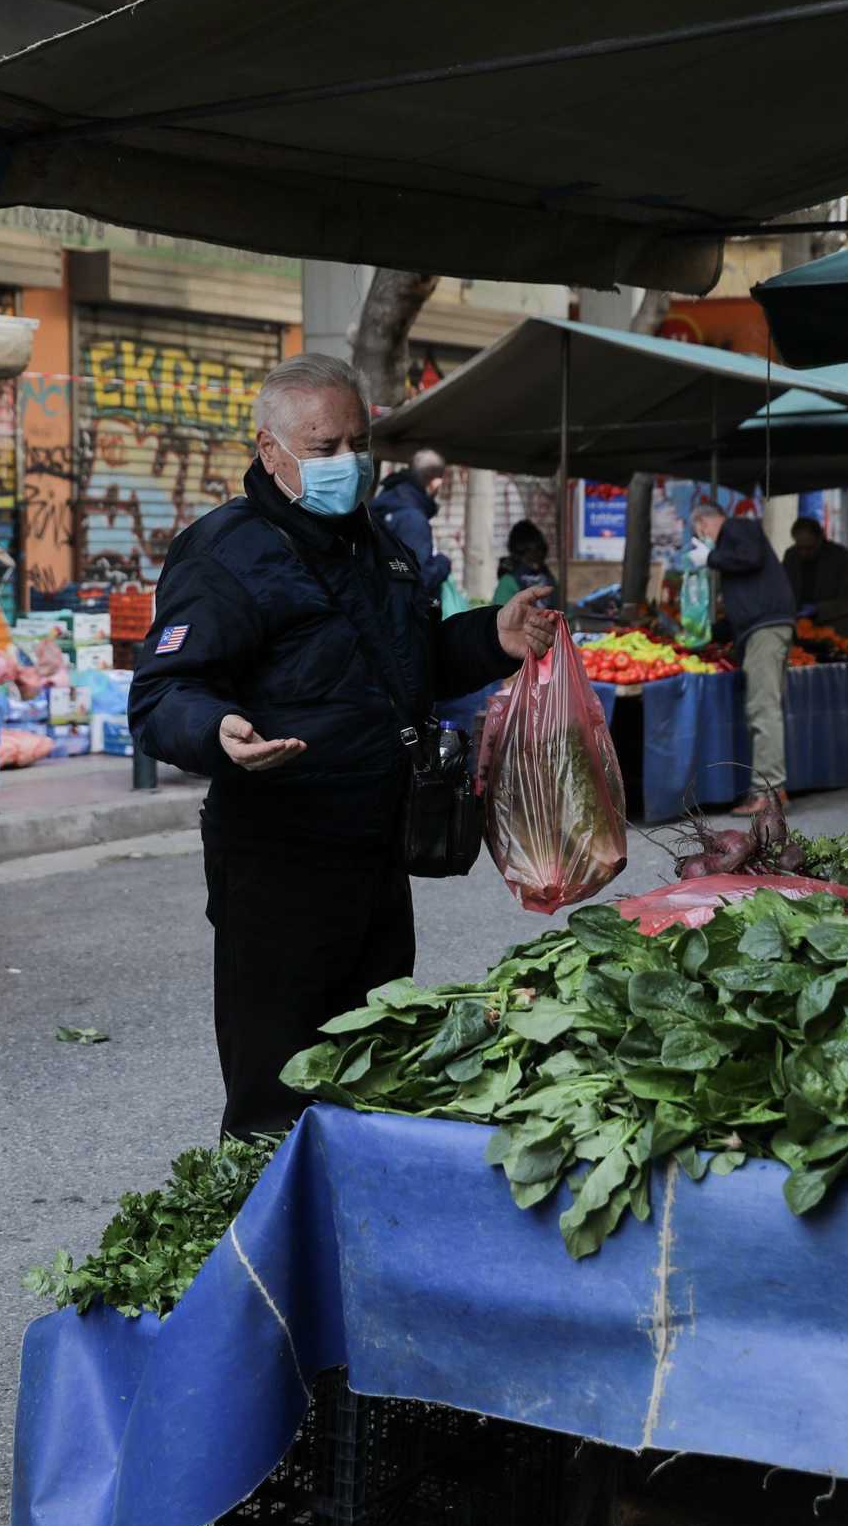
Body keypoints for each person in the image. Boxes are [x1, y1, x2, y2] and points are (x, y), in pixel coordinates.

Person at [129, 355, 556, 1137]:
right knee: (277, 1098)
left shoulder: (380, 546)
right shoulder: (224, 553)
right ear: (270, 451)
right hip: (277, 865)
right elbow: (162, 694)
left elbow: (413, 661)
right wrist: (218, 732)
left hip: (377, 858)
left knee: (373, 1077)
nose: (349, 463)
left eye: (360, 443)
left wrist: (492, 636)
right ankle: (267, 1244)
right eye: (325, 446)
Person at [695, 498, 795, 815]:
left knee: (762, 710)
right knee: (764, 709)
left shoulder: (738, 528)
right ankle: (772, 789)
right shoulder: (737, 540)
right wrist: (708, 632)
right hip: (762, 629)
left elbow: (748, 558)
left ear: (704, 524)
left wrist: (710, 557)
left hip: (765, 631)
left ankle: (768, 792)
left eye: (700, 533)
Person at [367, 446, 451, 600]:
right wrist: (443, 563)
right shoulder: (413, 519)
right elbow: (421, 578)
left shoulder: (386, 501)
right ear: (435, 483)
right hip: (400, 613)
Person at [784, 515, 848, 632]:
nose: (804, 553)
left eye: (809, 548)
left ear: (820, 539)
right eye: (799, 548)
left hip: (835, 632)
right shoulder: (791, 557)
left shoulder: (841, 557)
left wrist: (819, 609)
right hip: (800, 630)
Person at [490, 519, 559, 610]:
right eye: (530, 562)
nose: (536, 566)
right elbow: (502, 617)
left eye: (540, 560)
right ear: (518, 557)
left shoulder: (547, 578)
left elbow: (561, 608)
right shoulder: (508, 583)